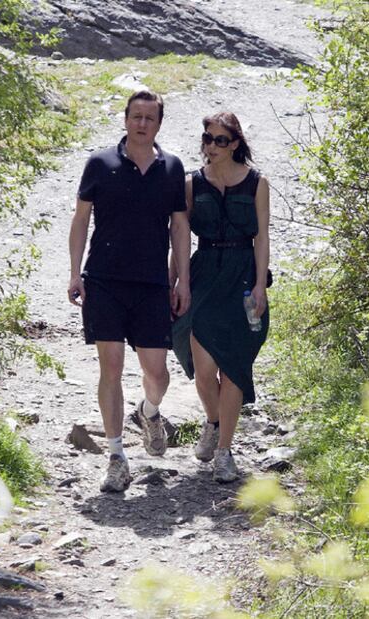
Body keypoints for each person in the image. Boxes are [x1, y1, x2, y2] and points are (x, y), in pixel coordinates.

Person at [68, 90, 191, 493]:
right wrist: (75, 273)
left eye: (150, 118)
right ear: (125, 119)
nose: (142, 123)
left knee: (157, 373)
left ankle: (149, 412)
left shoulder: (172, 168)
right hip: (103, 280)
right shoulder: (100, 163)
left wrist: (182, 281)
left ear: (158, 124)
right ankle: (117, 456)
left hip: (153, 283)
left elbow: (179, 227)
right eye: (136, 116)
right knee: (112, 367)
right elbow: (81, 219)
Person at [170, 111, 270, 483]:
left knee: (235, 369)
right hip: (205, 274)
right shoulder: (191, 184)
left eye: (220, 140)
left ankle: (224, 452)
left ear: (236, 143)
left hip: (243, 278)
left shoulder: (258, 183)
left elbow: (262, 238)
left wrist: (260, 284)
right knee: (204, 370)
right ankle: (213, 421)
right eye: (207, 138)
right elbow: (178, 238)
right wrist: (175, 281)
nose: (211, 146)